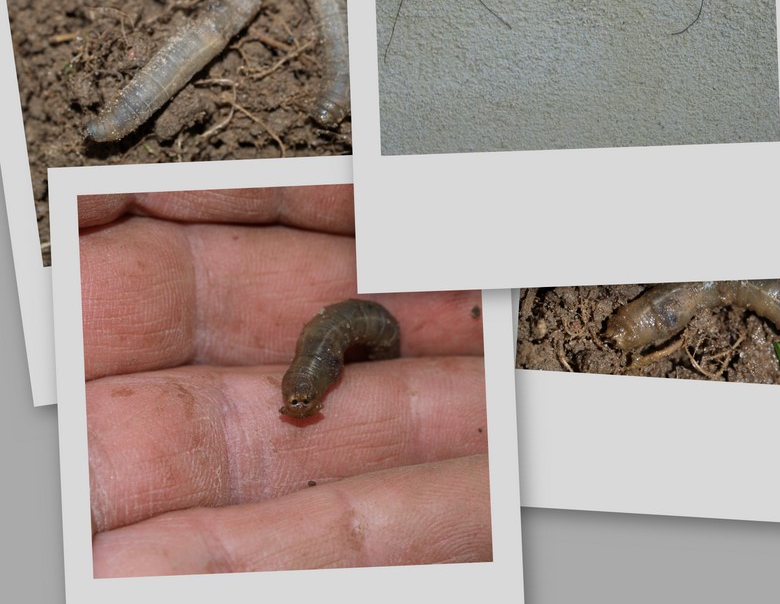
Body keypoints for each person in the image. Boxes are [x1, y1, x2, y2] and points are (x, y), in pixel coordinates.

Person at [80, 185, 490, 576]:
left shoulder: (337, 348)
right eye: (299, 400)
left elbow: (337, 350)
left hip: (372, 325)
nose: (297, 405)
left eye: (301, 400)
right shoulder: (317, 366)